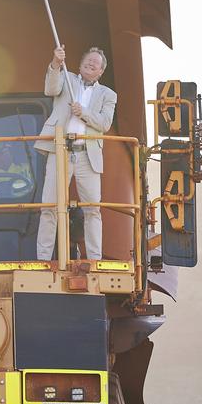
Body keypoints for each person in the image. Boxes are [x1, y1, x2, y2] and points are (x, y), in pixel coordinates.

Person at [35, 45, 117, 260]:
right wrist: (55, 63)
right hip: (59, 150)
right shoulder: (67, 79)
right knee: (49, 205)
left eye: (96, 63)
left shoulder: (108, 94)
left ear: (101, 71)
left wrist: (85, 113)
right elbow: (50, 89)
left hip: (87, 155)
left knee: (92, 208)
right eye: (88, 60)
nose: (91, 64)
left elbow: (105, 123)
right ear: (80, 64)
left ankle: (94, 258)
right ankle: (43, 258)